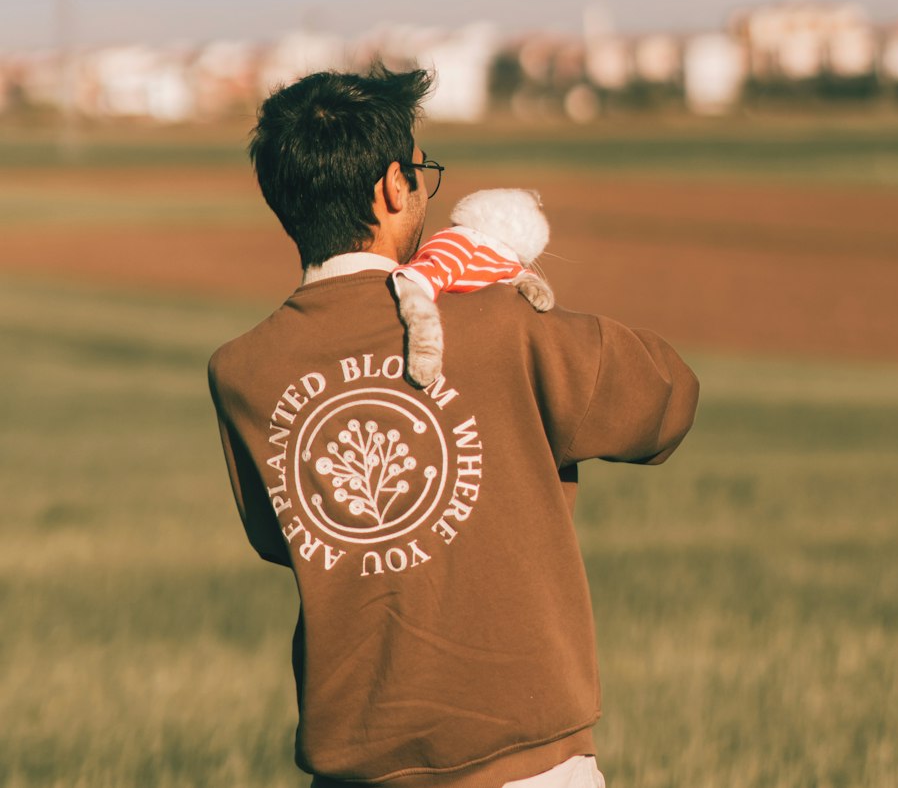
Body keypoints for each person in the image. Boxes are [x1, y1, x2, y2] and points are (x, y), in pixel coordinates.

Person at [208, 62, 700, 788]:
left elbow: (285, 538)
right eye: (420, 171)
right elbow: (666, 403)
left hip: (355, 768)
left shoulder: (242, 372)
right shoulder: (499, 323)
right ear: (392, 185)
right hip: (530, 767)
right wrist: (515, 301)